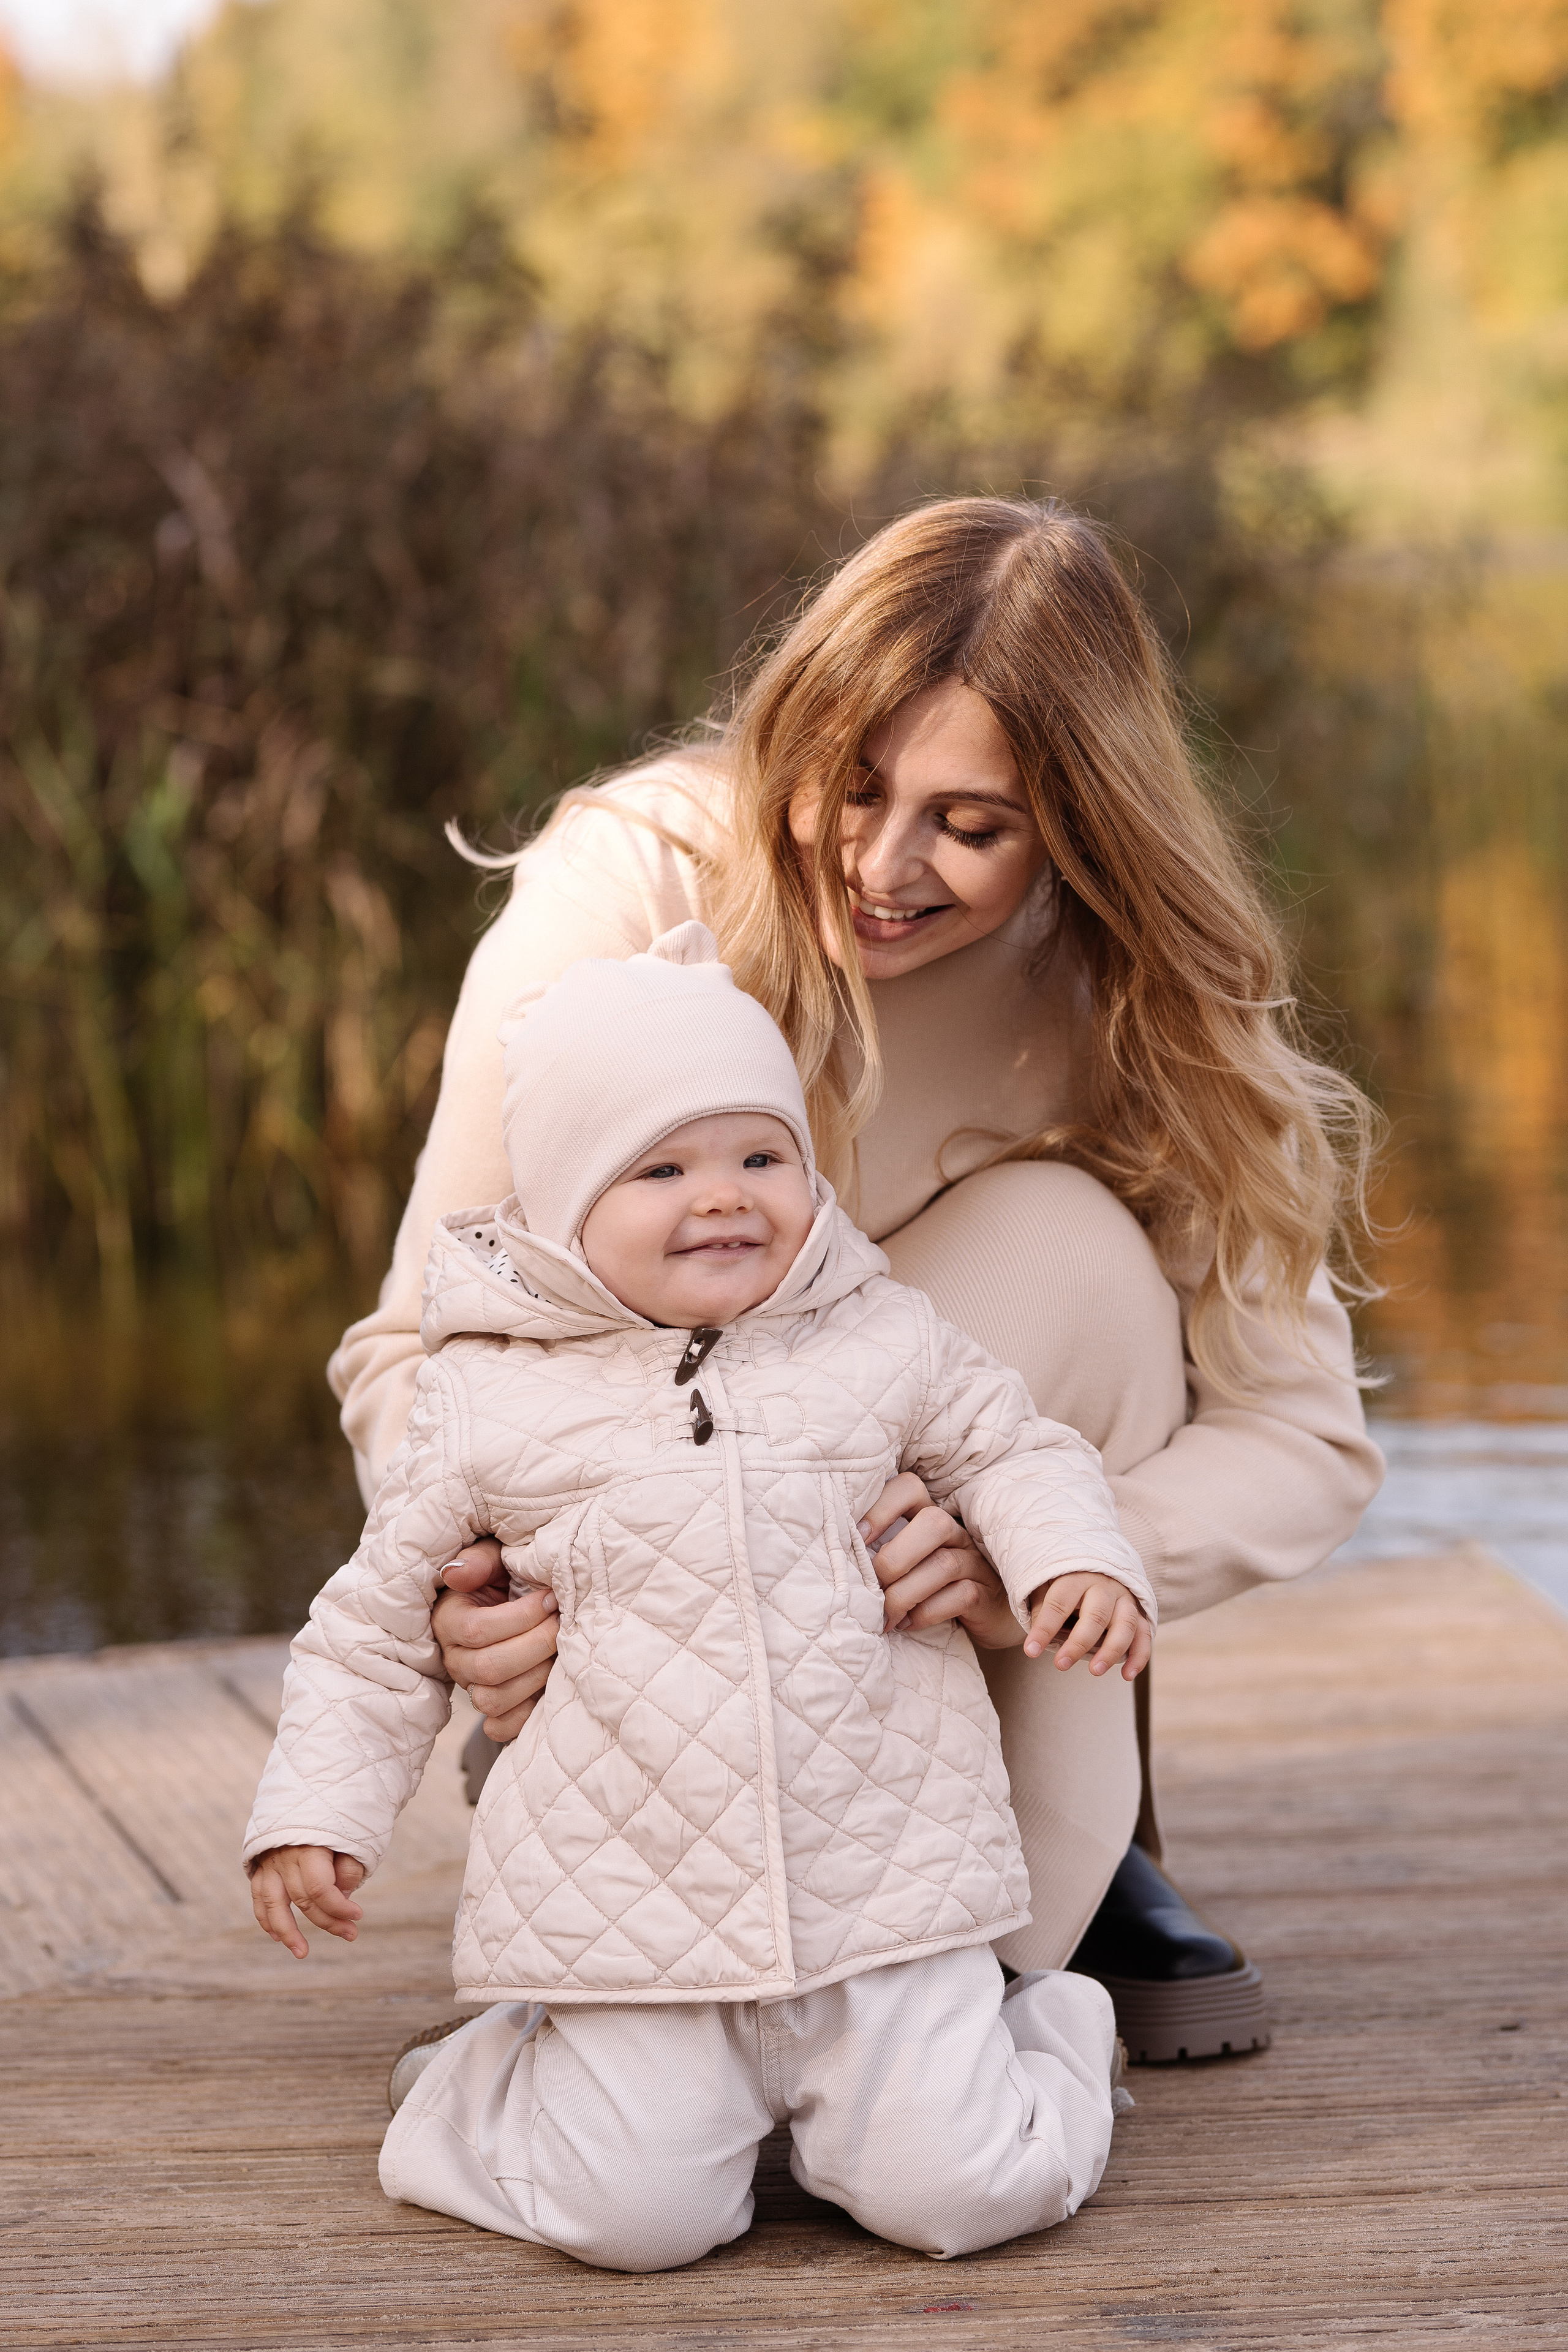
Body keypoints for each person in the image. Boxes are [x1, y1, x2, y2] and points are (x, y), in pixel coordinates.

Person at [328, 495, 1384, 2064]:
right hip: (639, 1593)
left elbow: (1299, 1439)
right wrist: (472, 1590)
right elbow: (424, 1336)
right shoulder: (629, 884)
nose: (884, 868)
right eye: (854, 785)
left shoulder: (1136, 994)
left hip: (925, 1538)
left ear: (1080, 824)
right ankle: (663, 1908)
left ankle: (1013, 1910)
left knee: (1072, 1253)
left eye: (972, 824)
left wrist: (1031, 1554)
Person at [246, 922, 1155, 2269]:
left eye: (757, 1156)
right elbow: (373, 1632)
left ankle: (1053, 2029)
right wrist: (314, 1812)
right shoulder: (487, 1402)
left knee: (963, 2196)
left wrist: (1069, 1559)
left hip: (884, 1892)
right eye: (659, 1167)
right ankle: (487, 2081)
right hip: (633, 1912)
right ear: (563, 1209)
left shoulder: (879, 1335)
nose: (720, 1195)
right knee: (635, 2224)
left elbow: (1014, 1448)